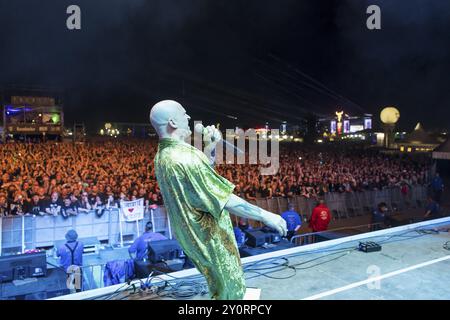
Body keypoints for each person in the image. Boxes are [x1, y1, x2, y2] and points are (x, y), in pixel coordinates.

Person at [150, 100, 287, 300]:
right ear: (172, 121)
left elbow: (202, 179)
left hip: (194, 237)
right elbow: (224, 199)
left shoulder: (166, 154)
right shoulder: (184, 158)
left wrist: (210, 146)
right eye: (183, 113)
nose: (188, 117)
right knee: (231, 291)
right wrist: (265, 215)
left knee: (220, 288)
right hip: (210, 237)